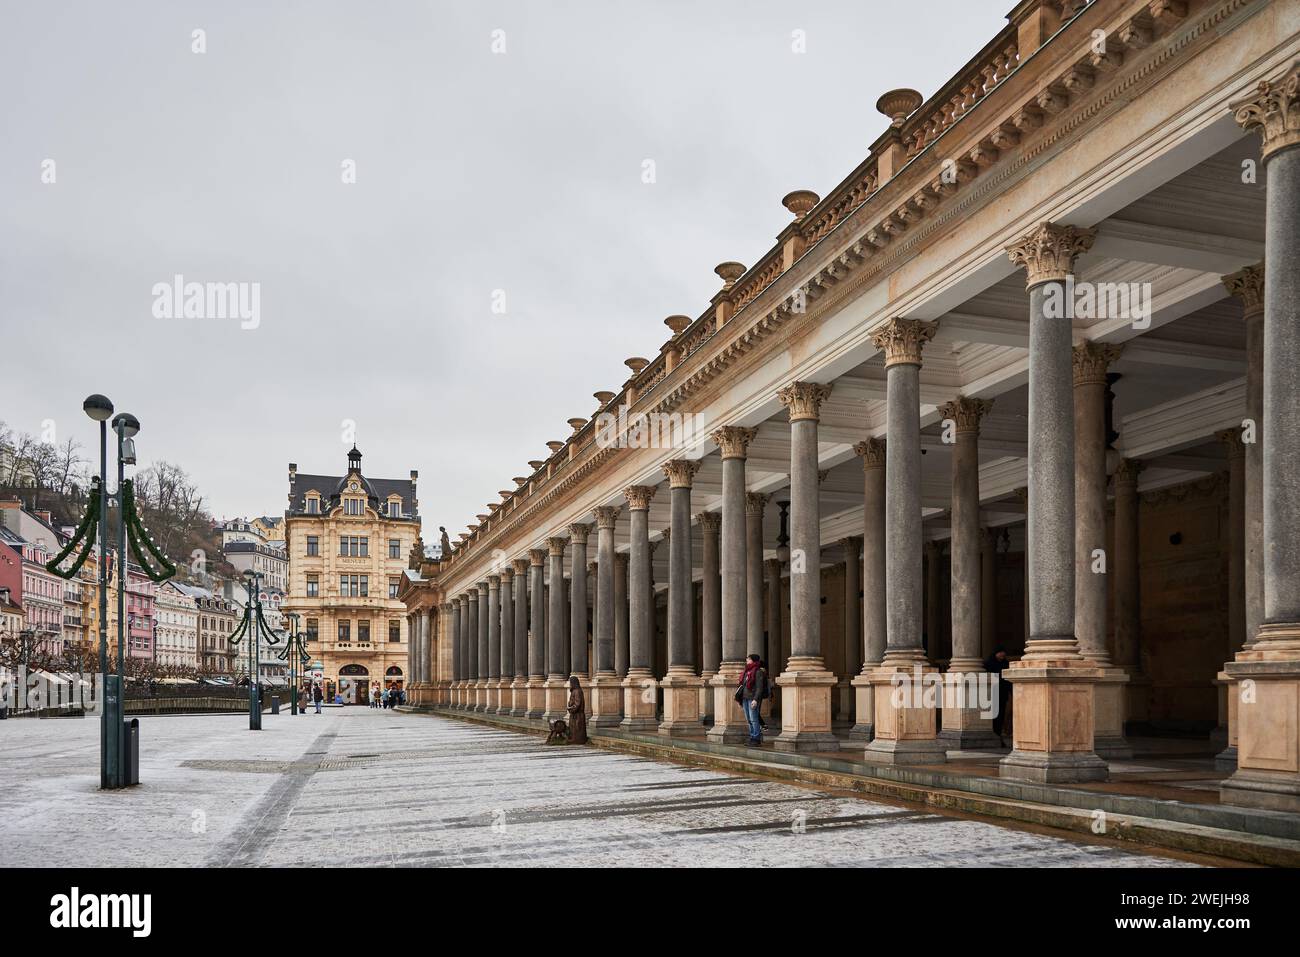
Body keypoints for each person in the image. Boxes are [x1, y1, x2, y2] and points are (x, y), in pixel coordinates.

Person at [984, 647, 1012, 744]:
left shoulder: (1005, 664)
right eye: (1000, 653)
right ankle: (993, 737)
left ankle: (998, 735)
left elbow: (1008, 680)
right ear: (996, 653)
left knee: (1000, 716)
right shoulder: (989, 664)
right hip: (991, 694)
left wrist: (1011, 692)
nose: (1002, 655)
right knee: (992, 716)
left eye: (1003, 653)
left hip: (1002, 694)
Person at [739, 654, 767, 746]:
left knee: (754, 719)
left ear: (753, 661)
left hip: (753, 698)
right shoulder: (747, 671)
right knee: (749, 719)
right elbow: (743, 686)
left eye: (749, 659)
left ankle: (756, 738)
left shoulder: (758, 672)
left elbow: (759, 688)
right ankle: (752, 737)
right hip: (745, 698)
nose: (747, 660)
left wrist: (755, 699)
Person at [566, 676, 588, 745]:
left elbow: (577, 703)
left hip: (577, 714)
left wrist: (571, 709)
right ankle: (574, 739)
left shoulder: (577, 691)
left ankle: (578, 740)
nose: (570, 684)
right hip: (574, 714)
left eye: (571, 683)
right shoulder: (574, 691)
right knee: (574, 728)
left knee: (577, 728)